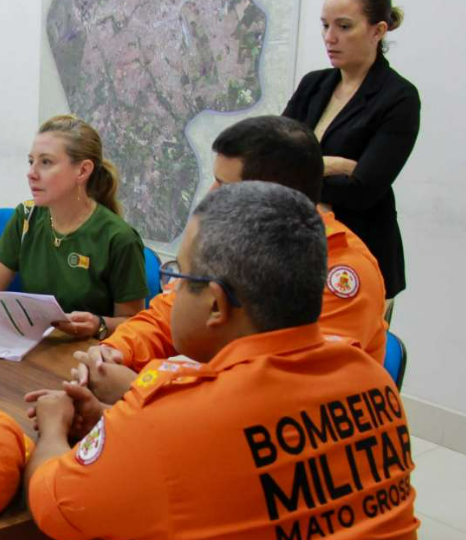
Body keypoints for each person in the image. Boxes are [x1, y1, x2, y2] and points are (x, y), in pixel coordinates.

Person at [25, 182, 419, 540]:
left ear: (215, 303)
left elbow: (53, 505)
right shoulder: (372, 378)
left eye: (179, 277)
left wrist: (54, 425)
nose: (170, 291)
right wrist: (116, 422)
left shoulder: (176, 415)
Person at [79, 116, 389, 404]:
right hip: (206, 410)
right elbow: (168, 315)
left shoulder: (345, 272)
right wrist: (115, 352)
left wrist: (144, 388)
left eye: (224, 186)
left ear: (274, 197)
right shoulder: (229, 239)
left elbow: (284, 391)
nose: (210, 195)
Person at [0, 115, 148, 340]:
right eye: (31, 161)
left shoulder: (118, 238)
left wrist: (100, 325)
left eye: (46, 162)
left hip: (90, 360)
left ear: (83, 170)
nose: (31, 173)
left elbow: (135, 324)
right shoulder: (26, 217)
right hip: (35, 347)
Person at [283, 0, 420, 310]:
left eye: (344, 27)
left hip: (360, 258)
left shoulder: (398, 98)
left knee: (350, 359)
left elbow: (363, 191)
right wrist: (330, 165)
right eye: (325, 25)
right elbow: (267, 158)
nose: (330, 38)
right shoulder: (314, 85)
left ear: (378, 31)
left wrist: (297, 171)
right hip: (299, 250)